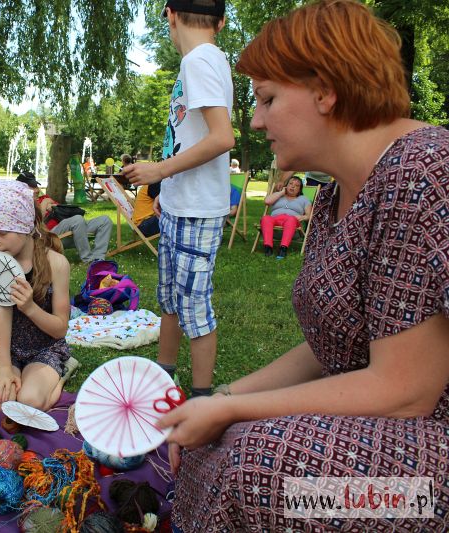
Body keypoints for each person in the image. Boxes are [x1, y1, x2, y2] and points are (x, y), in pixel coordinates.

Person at [159, 1, 449, 530]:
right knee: (215, 437)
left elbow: (407, 389)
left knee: (262, 465)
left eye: (268, 99)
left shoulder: (423, 172)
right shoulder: (338, 193)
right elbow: (327, 351)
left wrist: (229, 411)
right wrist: (220, 400)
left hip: (429, 485)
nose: (254, 120)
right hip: (384, 426)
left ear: (325, 89)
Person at [123, 0, 234, 397]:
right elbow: (194, 136)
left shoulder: (198, 61)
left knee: (194, 309)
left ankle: (203, 401)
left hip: (196, 210)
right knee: (170, 299)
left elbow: (223, 138)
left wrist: (159, 172)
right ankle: (163, 381)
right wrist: (167, 192)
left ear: (170, 14)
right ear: (220, 21)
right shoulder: (209, 58)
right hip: (180, 203)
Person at [0, 181, 76, 412]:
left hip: (44, 347)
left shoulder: (56, 263)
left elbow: (60, 329)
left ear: (27, 227)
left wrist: (30, 307)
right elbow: (0, 307)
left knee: (29, 401)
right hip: (5, 346)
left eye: (2, 233)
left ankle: (61, 375)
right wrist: (4, 366)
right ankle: (16, 372)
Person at [17, 171, 112, 263]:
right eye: (32, 187)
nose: (37, 190)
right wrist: (45, 204)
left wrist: (49, 204)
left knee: (104, 220)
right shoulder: (21, 204)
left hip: (72, 229)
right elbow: (36, 224)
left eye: (36, 186)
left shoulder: (42, 198)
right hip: (50, 236)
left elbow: (61, 210)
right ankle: (88, 259)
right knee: (77, 219)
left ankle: (98, 258)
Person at [260, 174, 312, 258]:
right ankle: (268, 248)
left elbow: (309, 216)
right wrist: (281, 193)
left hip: (292, 226)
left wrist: (301, 217)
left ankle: (283, 249)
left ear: (299, 190)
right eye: (290, 184)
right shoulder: (278, 195)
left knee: (291, 219)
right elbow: (267, 201)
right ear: (286, 186)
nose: (293, 186)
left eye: (297, 185)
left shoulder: (304, 199)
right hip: (275, 223)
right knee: (266, 218)